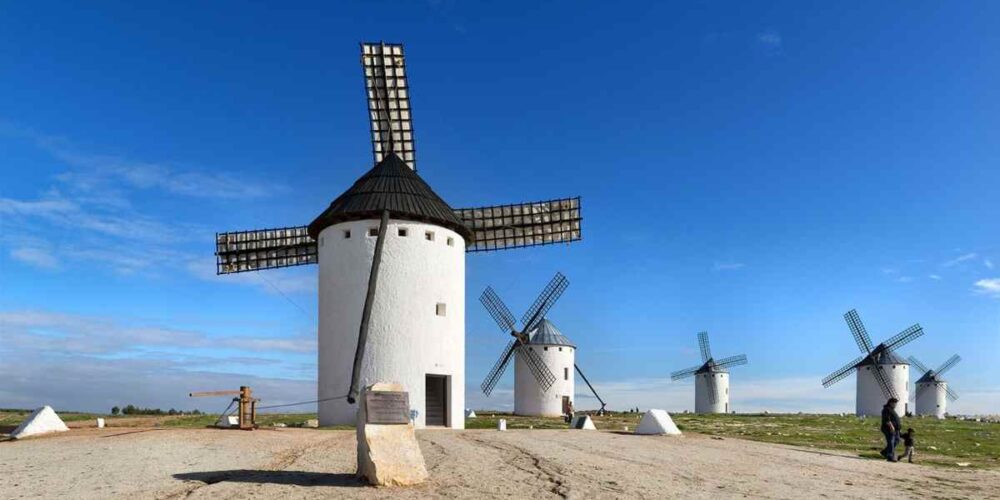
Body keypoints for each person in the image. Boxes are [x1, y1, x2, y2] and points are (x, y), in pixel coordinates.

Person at [880, 397, 902, 462]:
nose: (896, 405)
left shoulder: (892, 410)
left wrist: (898, 428)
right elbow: (887, 419)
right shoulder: (886, 409)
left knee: (897, 440)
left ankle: (885, 452)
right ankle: (890, 456)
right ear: (891, 403)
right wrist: (891, 426)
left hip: (896, 429)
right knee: (891, 442)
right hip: (888, 429)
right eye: (895, 403)